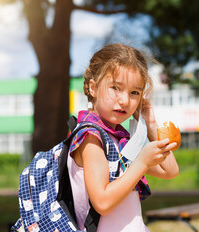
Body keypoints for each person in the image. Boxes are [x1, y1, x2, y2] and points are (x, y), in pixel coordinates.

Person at [67, 43, 179, 231]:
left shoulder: (118, 138)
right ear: (93, 88)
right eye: (115, 88)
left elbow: (170, 171)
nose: (125, 100)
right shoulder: (91, 137)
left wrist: (151, 126)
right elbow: (102, 203)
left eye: (134, 92)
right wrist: (141, 163)